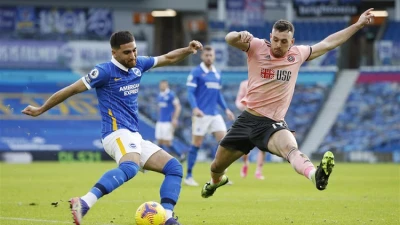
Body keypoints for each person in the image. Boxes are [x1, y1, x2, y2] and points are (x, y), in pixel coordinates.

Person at [22, 31, 203, 225]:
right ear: (114, 53)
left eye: (134, 50)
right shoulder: (104, 72)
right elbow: (71, 89)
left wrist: (188, 50)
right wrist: (41, 109)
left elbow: (167, 57)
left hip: (133, 135)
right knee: (130, 167)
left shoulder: (138, 64)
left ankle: (167, 218)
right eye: (127, 52)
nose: (132, 55)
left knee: (174, 168)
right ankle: (84, 202)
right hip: (115, 133)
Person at [201, 9, 375, 198]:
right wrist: (238, 34)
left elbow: (328, 43)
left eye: (284, 41)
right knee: (216, 166)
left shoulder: (297, 54)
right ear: (271, 37)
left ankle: (315, 175)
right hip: (246, 119)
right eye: (275, 39)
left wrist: (358, 25)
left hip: (272, 124)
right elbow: (229, 39)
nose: (278, 45)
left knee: (291, 150)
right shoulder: (257, 46)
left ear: (291, 42)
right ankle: (216, 182)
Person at [184, 45, 235, 186]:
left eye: (211, 55)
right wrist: (195, 108)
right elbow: (190, 92)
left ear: (214, 56)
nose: (209, 57)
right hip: (201, 114)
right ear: (202, 56)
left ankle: (220, 177)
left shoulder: (217, 74)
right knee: (197, 144)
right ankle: (188, 176)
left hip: (214, 114)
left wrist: (226, 109)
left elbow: (218, 94)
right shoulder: (196, 72)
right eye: (206, 55)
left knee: (225, 143)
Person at [236, 79, 266, 180]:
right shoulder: (244, 84)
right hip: (248, 117)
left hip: (262, 117)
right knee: (245, 145)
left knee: (262, 146)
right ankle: (245, 163)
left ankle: (258, 171)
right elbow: (239, 100)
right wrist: (243, 107)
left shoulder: (264, 83)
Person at [156, 80, 186, 162]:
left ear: (167, 85)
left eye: (163, 85)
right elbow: (159, 108)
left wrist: (174, 119)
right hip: (160, 121)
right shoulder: (159, 95)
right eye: (161, 85)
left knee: (167, 142)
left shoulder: (171, 95)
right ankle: (160, 159)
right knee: (160, 141)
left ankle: (181, 155)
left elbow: (178, 107)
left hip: (168, 121)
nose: (162, 86)